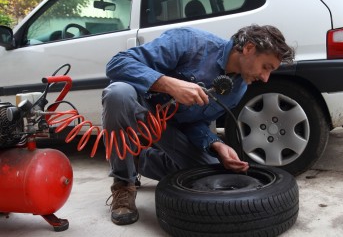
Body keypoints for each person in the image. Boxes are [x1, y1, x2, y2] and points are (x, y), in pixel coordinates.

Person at [102, 24, 295, 225]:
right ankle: (123, 183)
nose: (265, 78)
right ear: (248, 48)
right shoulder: (190, 41)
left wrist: (216, 144)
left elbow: (195, 123)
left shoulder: (238, 89)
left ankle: (140, 161)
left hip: (171, 128)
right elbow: (117, 64)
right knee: (118, 93)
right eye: (266, 67)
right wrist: (169, 84)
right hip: (141, 111)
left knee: (211, 172)